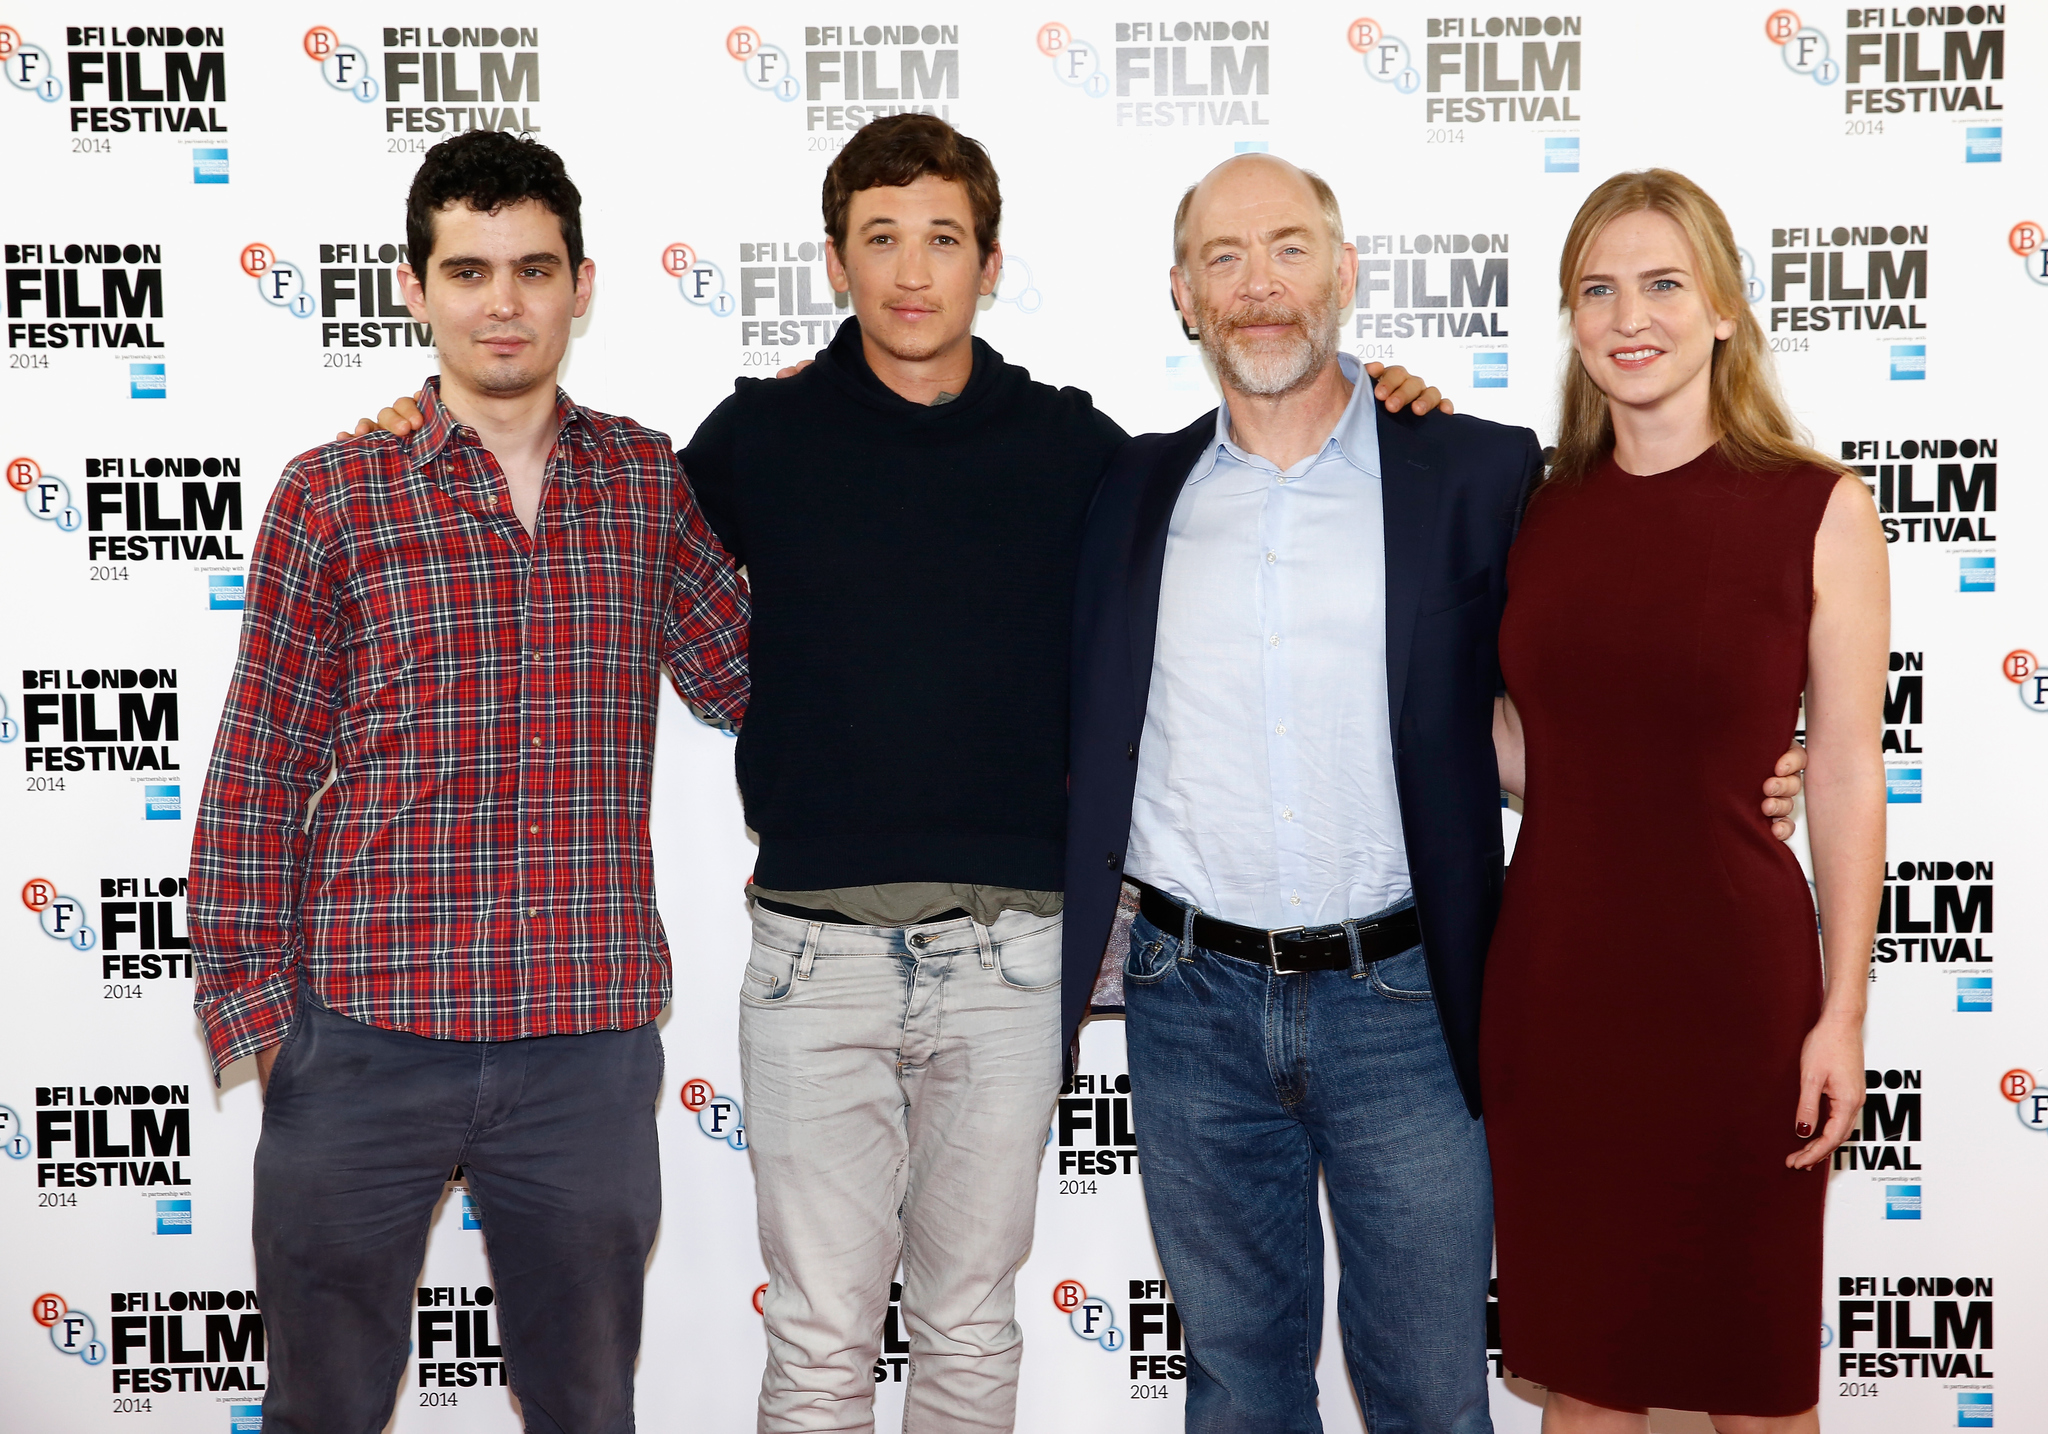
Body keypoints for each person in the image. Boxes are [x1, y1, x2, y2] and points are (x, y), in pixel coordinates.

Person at [350, 114, 1447, 1434]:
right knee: (817, 1335)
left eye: (943, 238)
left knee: (972, 1326)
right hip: (816, 961)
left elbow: (1253, 493)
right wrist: (431, 423)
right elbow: (588, 504)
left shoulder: (1076, 447)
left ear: (990, 263)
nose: (912, 270)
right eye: (881, 239)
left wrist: (1395, 409)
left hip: (1015, 956)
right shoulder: (760, 435)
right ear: (835, 261)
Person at [1060, 154, 1810, 1434]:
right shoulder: (1124, 489)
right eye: (1224, 259)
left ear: (1344, 275)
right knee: (1235, 1389)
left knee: (1427, 1395)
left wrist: (1717, 774)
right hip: (1190, 1009)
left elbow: (1602, 648)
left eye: (1289, 248)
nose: (1259, 287)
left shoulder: (1475, 473)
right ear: (1181, 296)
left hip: (1402, 1004)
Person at [188, 130, 751, 1434]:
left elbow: (748, 684)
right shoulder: (333, 491)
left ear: (583, 284)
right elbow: (260, 762)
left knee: (585, 1405)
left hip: (584, 1041)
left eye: (534, 269)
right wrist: (261, 1019)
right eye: (470, 269)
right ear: (415, 287)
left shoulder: (645, 483)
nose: (504, 300)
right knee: (323, 1406)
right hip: (363, 1037)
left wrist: (824, 458)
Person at [1480, 170, 1886, 1433]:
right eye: (1595, 289)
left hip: (1737, 1003)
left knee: (1755, 1390)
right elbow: (1527, 749)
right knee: (1583, 1387)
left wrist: (1841, 1014)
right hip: (1558, 999)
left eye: (1661, 282)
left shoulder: (1817, 510)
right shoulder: (1529, 513)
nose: (1627, 314)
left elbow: (1841, 769)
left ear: (1721, 309)